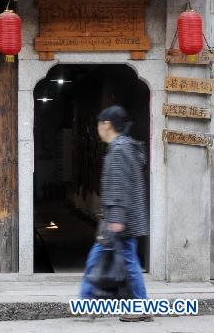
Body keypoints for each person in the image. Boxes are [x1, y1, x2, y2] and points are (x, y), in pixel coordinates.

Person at [80, 105, 150, 322]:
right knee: (102, 258)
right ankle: (89, 301)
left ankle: (139, 306)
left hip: (120, 220)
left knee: (125, 261)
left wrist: (117, 218)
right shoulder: (124, 148)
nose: (97, 129)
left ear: (106, 125)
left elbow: (120, 186)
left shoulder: (119, 150)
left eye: (98, 124)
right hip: (121, 218)